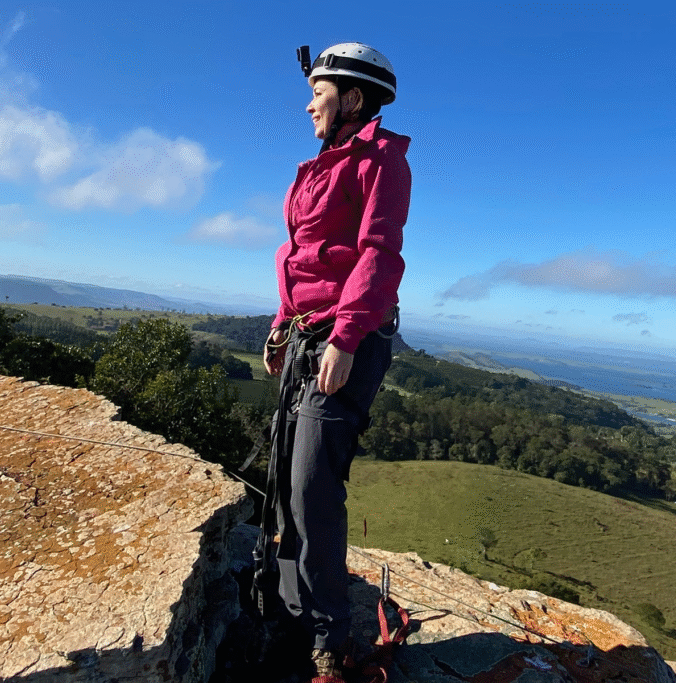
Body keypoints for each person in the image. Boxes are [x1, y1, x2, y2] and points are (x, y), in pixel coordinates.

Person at [255, 42, 411, 682]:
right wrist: (279, 328)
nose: (307, 104)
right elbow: (301, 259)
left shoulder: (380, 162)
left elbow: (378, 254)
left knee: (313, 483)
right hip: (307, 334)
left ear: (351, 99)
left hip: (347, 340)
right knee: (287, 481)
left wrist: (346, 337)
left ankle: (329, 644)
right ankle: (292, 618)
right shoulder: (320, 166)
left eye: (317, 92)